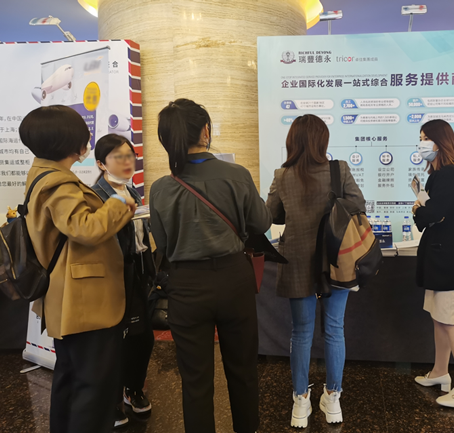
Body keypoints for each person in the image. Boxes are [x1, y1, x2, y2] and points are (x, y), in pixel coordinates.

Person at [149, 99, 271, 433]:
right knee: (243, 372)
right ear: (206, 130)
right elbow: (262, 223)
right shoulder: (237, 175)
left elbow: (163, 244)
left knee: (195, 380)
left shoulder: (160, 189)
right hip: (234, 280)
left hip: (186, 286)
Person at [19, 106, 136, 433]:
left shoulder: (42, 174)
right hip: (84, 302)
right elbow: (85, 229)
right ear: (68, 141)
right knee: (93, 388)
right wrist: (118, 202)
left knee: (71, 381)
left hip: (70, 300)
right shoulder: (59, 183)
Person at [266, 114, 366, 428]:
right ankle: (333, 399)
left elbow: (272, 215)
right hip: (336, 260)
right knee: (335, 329)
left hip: (296, 260)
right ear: (322, 141)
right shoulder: (339, 170)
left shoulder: (282, 175)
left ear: (292, 141)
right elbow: (359, 206)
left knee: (300, 332)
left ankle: (300, 401)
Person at [412, 119, 454, 408]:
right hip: (437, 259)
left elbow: (432, 214)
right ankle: (440, 372)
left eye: (425, 138)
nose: (421, 144)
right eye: (420, 138)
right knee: (439, 318)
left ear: (440, 142)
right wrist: (422, 209)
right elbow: (427, 217)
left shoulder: (451, 174)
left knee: (452, 322)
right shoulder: (436, 176)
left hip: (449, 263)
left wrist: (420, 209)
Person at [92, 134, 156, 428]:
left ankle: (134, 389)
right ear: (101, 164)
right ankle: (111, 399)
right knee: (115, 339)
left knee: (143, 336)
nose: (127, 161)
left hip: (139, 269)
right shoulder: (96, 196)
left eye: (130, 155)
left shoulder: (133, 191)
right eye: (118, 156)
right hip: (115, 273)